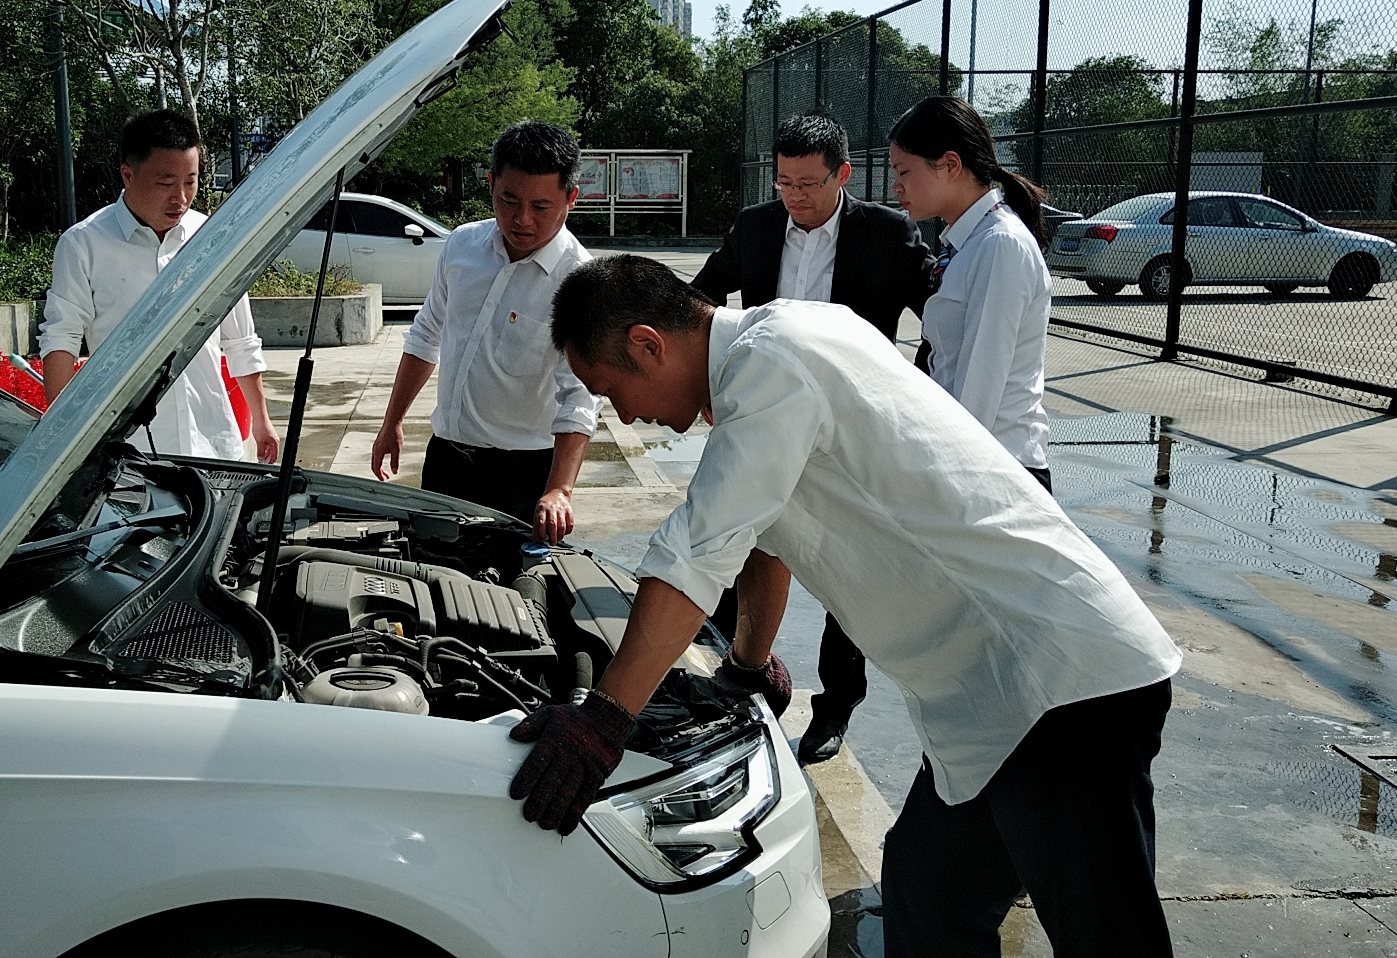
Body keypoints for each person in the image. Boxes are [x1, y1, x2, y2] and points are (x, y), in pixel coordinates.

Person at [512, 255, 1182, 958]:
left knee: (1107, 940)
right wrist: (746, 667)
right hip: (995, 695)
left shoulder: (771, 365)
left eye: (612, 391)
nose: (624, 415)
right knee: (930, 894)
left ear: (649, 345)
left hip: (1058, 680)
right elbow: (760, 538)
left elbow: (696, 551)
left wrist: (605, 717)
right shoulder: (792, 341)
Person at [692, 112, 934, 766]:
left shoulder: (886, 233)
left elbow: (942, 318)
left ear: (842, 175)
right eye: (784, 183)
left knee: (844, 571)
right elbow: (700, 299)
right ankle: (739, 668)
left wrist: (910, 394)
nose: (794, 197)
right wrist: (708, 379)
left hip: (847, 429)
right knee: (744, 538)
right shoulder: (757, 227)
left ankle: (834, 707)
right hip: (766, 416)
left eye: (808, 184)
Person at [369, 121, 598, 544]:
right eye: (508, 200)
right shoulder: (462, 246)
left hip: (524, 475)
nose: (522, 219)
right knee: (431, 572)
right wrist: (392, 421)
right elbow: (426, 335)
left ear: (571, 198)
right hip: (447, 459)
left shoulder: (580, 282)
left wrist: (559, 490)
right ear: (491, 184)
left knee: (509, 583)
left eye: (541, 206)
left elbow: (579, 396)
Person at [39, 109, 280, 463]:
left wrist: (261, 420)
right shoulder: (84, 245)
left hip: (212, 442)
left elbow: (240, 338)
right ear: (128, 175)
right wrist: (59, 438)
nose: (180, 198)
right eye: (166, 184)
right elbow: (61, 338)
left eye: (190, 182)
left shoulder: (213, 238)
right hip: (127, 455)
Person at [889, 96, 1053, 491]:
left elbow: (978, 389)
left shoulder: (1000, 245)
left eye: (904, 171)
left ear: (949, 165)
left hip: (997, 473)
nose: (897, 187)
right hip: (975, 463)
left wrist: (942, 481)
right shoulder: (971, 241)